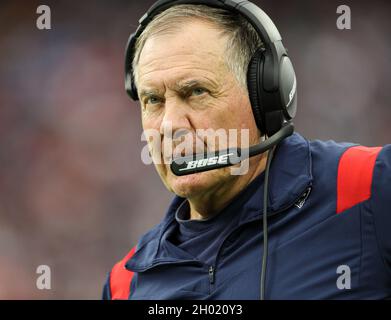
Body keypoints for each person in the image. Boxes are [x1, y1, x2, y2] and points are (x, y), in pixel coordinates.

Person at [102, 0, 391, 300]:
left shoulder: (369, 188)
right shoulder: (124, 284)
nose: (170, 125)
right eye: (153, 100)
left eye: (196, 92)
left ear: (264, 96)